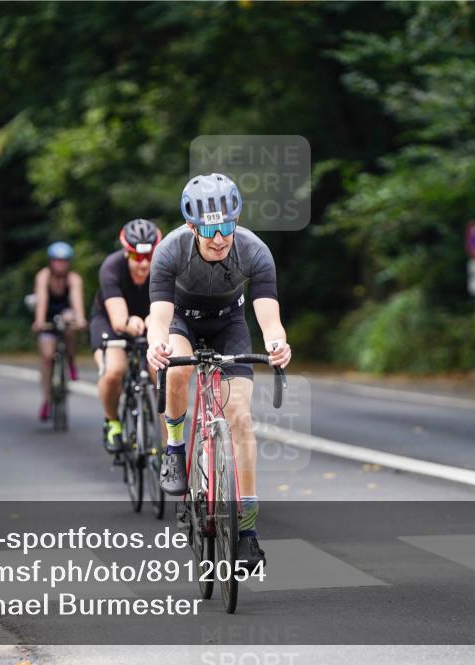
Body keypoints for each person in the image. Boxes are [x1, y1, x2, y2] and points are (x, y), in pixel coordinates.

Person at [146, 173, 292, 571]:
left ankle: (246, 531)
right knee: (177, 371)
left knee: (241, 418)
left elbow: (268, 316)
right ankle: (175, 449)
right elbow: (158, 317)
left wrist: (278, 343)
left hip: (230, 325)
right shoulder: (170, 250)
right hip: (181, 323)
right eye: (210, 229)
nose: (219, 237)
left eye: (227, 226)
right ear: (192, 227)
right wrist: (156, 344)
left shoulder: (254, 251)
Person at [90, 219, 162, 455]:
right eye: (137, 257)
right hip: (112, 320)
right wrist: (130, 323)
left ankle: (165, 442)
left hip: (151, 318)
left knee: (161, 371)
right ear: (126, 252)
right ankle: (112, 422)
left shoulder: (165, 266)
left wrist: (155, 320)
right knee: (114, 371)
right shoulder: (111, 267)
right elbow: (119, 320)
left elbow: (169, 306)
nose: (143, 264)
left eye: (149, 256)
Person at [32, 241, 86, 421]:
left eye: (64, 261)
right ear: (50, 262)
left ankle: (71, 361)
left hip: (65, 314)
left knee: (69, 326)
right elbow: (42, 300)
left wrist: (80, 319)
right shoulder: (43, 277)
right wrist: (39, 321)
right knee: (47, 356)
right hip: (47, 315)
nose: (60, 265)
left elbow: (76, 301)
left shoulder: (73, 278)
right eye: (56, 261)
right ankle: (46, 400)